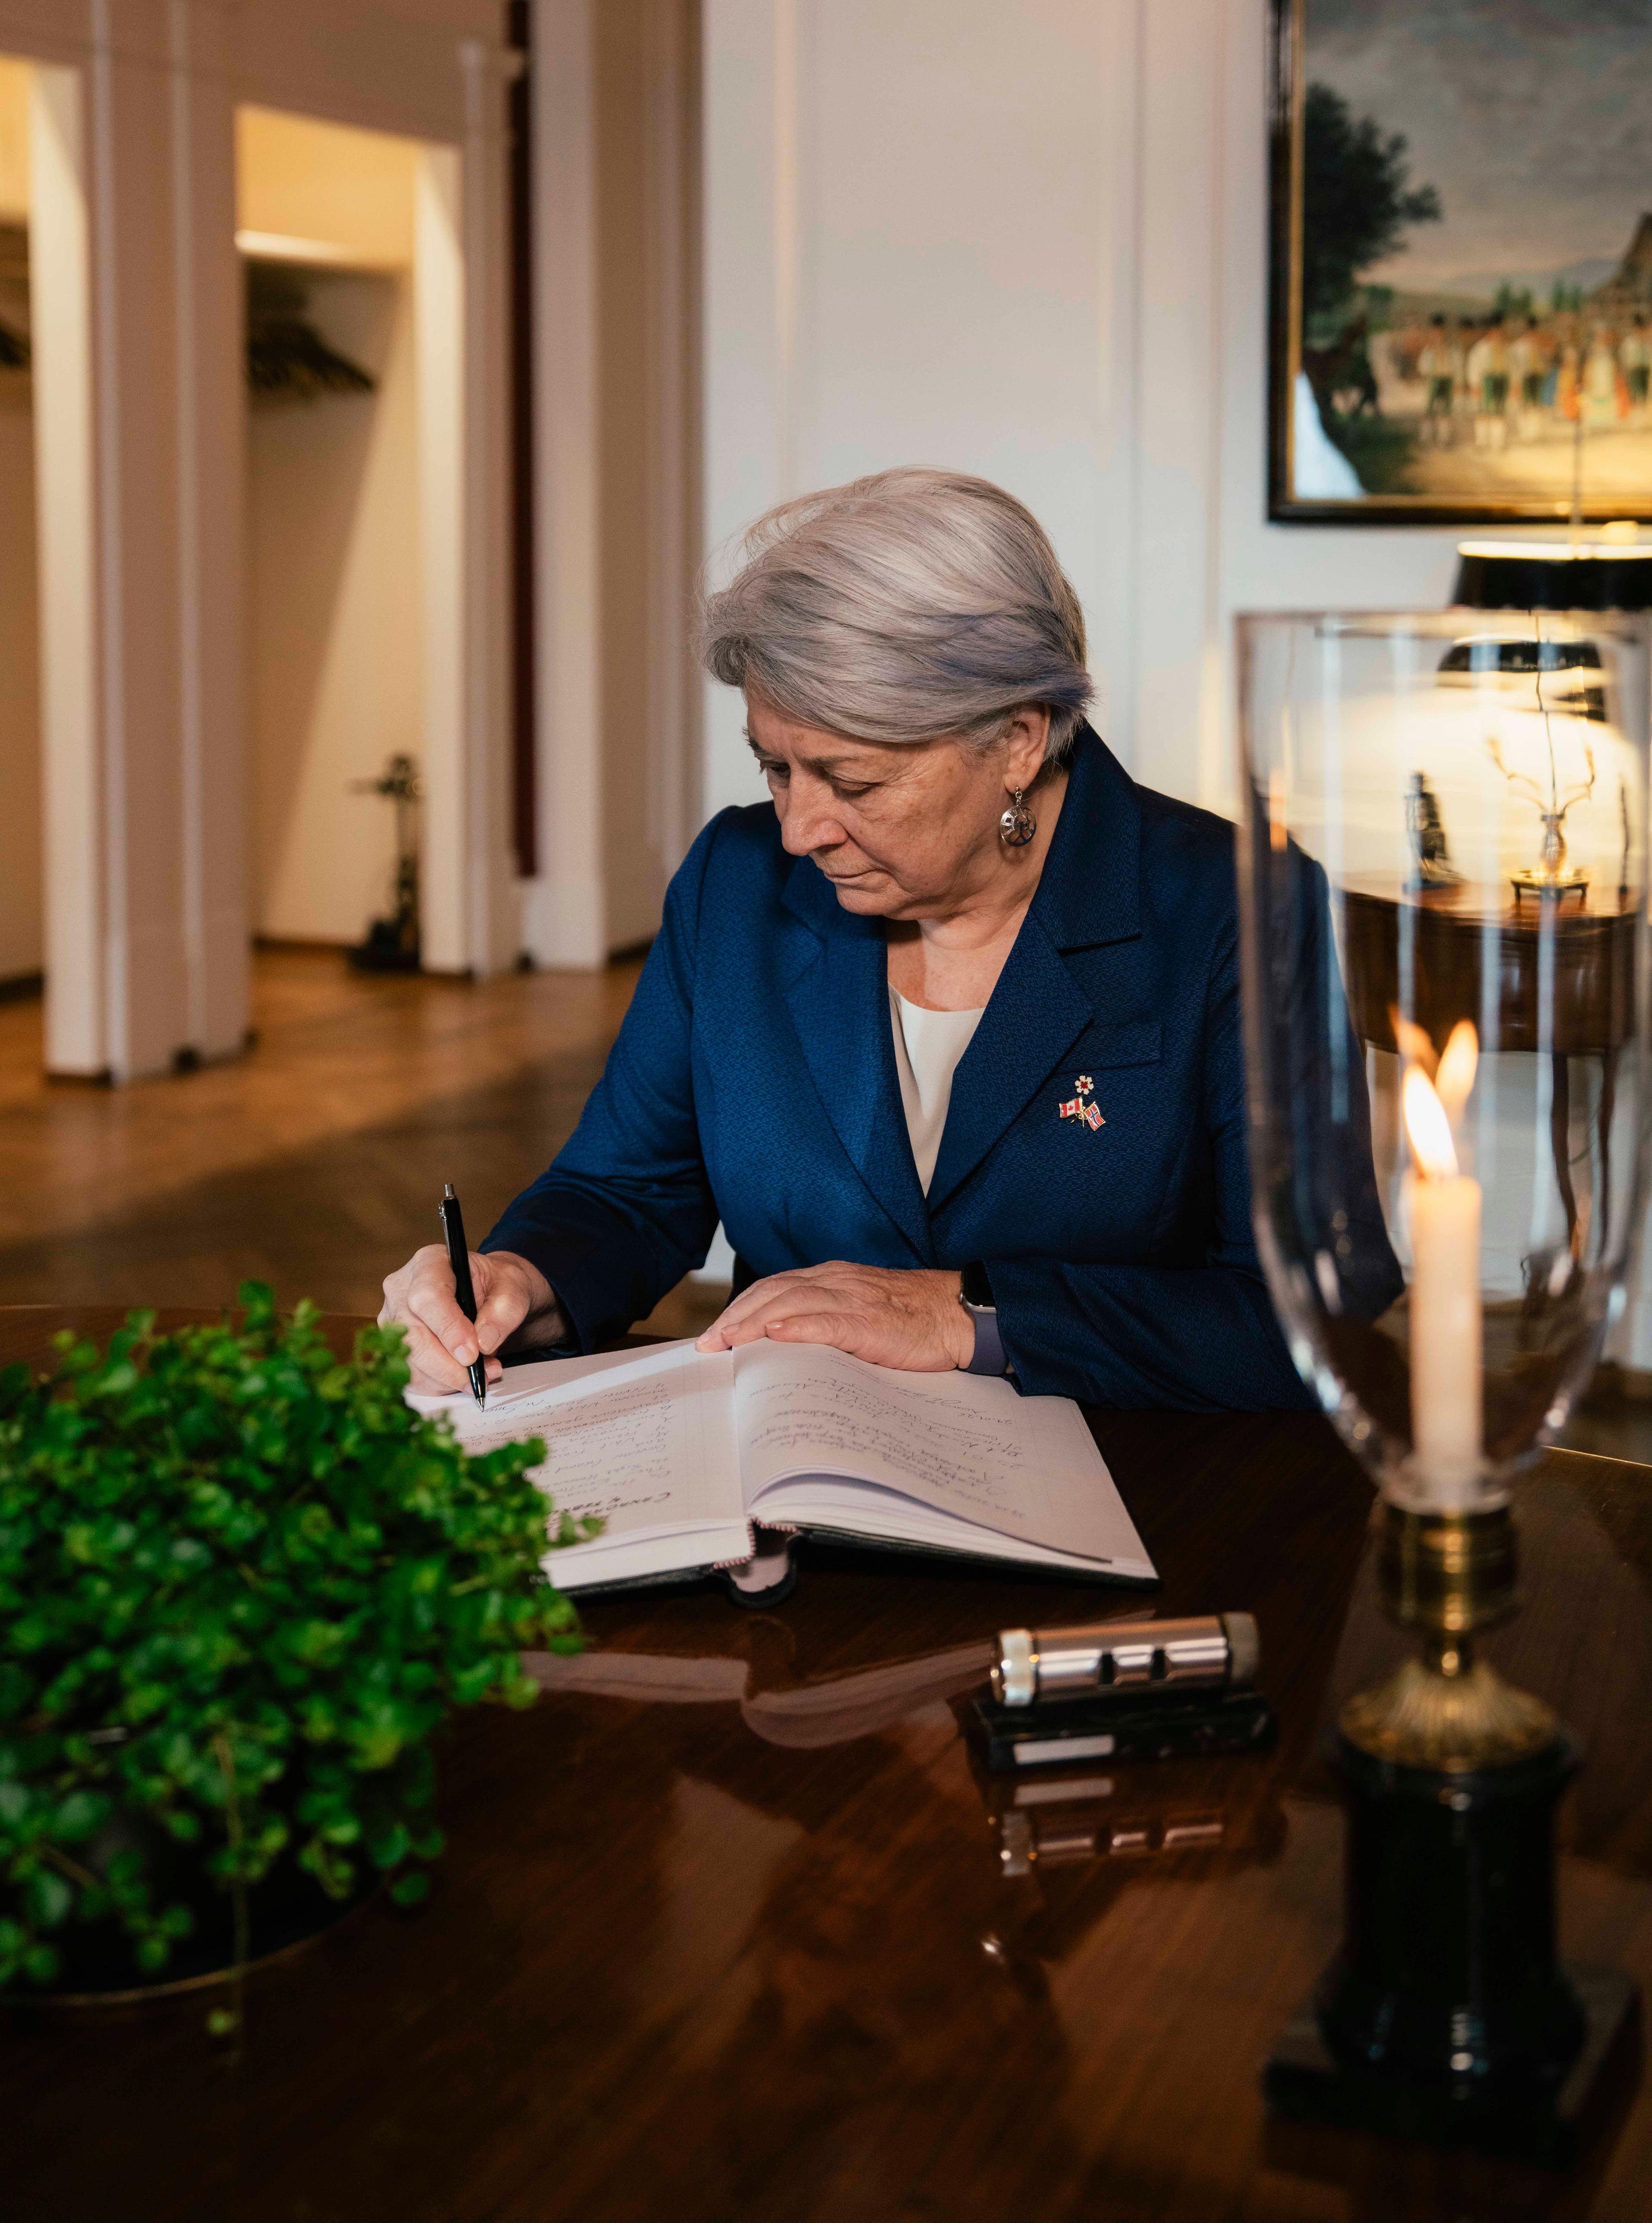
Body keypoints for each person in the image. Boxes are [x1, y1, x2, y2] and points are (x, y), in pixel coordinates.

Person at [379, 470, 1394, 1410]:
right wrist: (517, 1282)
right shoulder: (738, 885)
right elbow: (626, 1189)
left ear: (1018, 738)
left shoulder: (1232, 911)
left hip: (1128, 1500)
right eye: (776, 769)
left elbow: (1317, 1314)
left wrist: (971, 1316)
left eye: (851, 782)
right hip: (796, 1495)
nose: (797, 829)